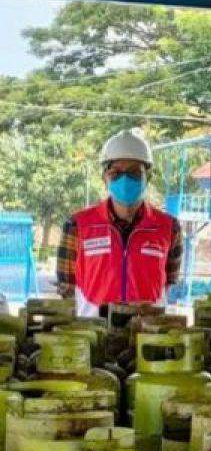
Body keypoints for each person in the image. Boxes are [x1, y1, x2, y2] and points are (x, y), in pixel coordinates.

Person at [57, 129, 183, 316]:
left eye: (134, 172)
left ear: (147, 177)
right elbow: (66, 287)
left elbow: (169, 281)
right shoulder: (77, 225)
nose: (125, 179)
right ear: (104, 178)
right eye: (116, 173)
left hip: (148, 335)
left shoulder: (169, 227)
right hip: (93, 334)